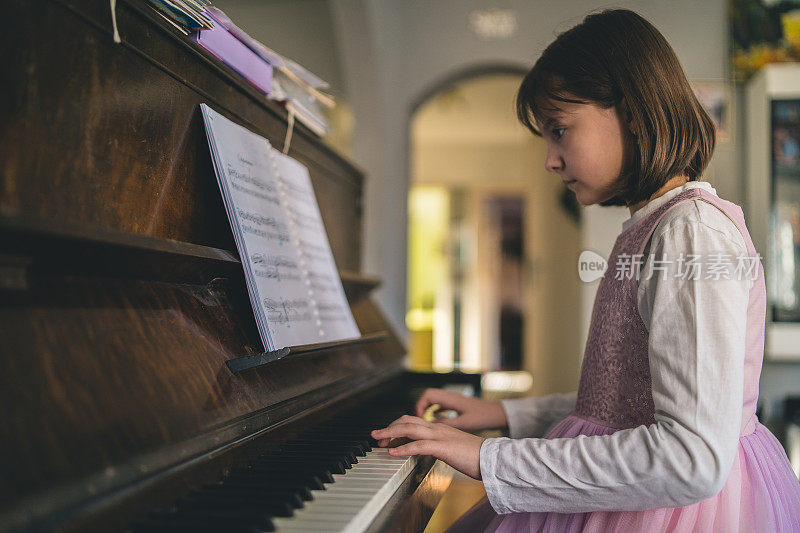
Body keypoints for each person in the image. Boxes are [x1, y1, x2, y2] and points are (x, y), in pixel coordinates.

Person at [371, 8, 800, 532]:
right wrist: (508, 416)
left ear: (634, 114)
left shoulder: (691, 234)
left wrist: (489, 458)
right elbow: (627, 396)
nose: (550, 160)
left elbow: (691, 458)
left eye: (559, 131)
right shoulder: (656, 226)